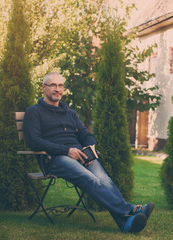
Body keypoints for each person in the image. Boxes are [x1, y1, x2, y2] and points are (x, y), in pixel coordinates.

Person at [23, 72, 154, 233]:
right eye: (53, 85)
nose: (57, 89)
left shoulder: (70, 113)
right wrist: (66, 151)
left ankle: (126, 223)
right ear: (44, 88)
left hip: (82, 155)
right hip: (55, 159)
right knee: (89, 178)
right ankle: (131, 209)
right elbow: (34, 141)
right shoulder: (33, 112)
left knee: (104, 180)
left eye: (60, 85)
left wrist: (90, 148)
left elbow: (86, 135)